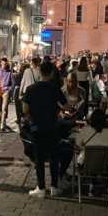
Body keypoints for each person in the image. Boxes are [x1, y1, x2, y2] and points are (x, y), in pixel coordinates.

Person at [23, 61, 67, 198]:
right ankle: (54, 187)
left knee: (39, 158)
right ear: (52, 73)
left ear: (39, 72)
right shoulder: (55, 88)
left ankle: (41, 187)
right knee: (54, 157)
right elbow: (65, 106)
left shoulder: (30, 89)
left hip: (37, 128)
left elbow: (25, 110)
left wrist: (33, 122)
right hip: (53, 127)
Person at [0, 58, 14, 132]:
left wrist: (9, 89)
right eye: (2, 63)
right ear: (0, 63)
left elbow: (12, 83)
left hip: (5, 91)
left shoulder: (9, 72)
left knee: (4, 108)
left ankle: (2, 124)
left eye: (5, 64)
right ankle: (0, 121)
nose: (4, 65)